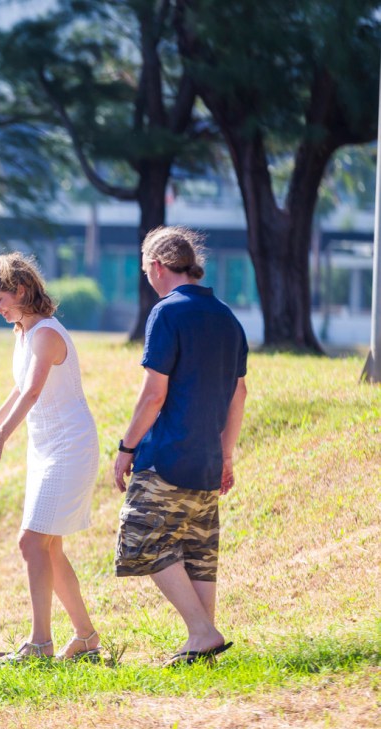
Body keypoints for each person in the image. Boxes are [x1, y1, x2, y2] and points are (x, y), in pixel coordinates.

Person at [113, 226, 248, 667]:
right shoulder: (227, 316)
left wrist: (126, 447)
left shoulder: (167, 312)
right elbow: (239, 394)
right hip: (208, 461)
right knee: (197, 552)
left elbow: (154, 394)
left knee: (140, 538)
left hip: (167, 456)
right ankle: (202, 647)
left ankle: (203, 632)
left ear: (156, 266)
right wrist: (226, 455)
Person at [0, 252, 103, 663]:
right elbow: (18, 387)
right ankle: (85, 637)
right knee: (49, 547)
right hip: (45, 446)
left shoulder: (45, 334)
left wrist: (3, 437)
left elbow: (33, 392)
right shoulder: (23, 332)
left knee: (30, 542)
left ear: (21, 291)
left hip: (70, 446)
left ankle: (40, 641)